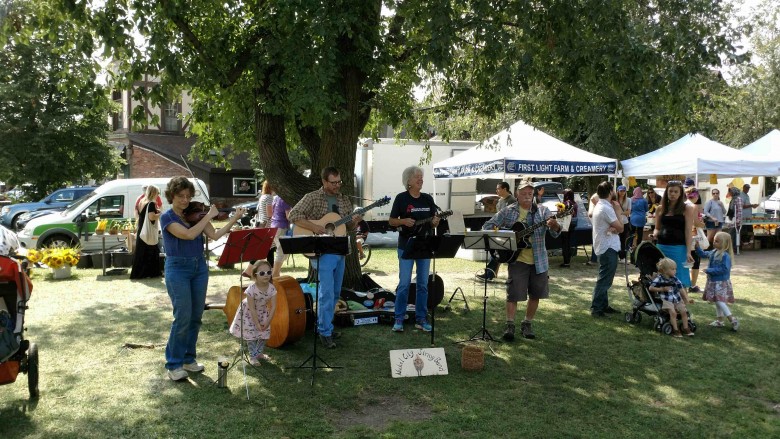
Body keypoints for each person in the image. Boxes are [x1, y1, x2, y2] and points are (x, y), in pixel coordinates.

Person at [160, 177, 246, 381]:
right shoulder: (167, 217)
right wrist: (208, 216)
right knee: (182, 316)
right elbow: (189, 235)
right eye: (181, 196)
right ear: (172, 196)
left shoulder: (194, 215)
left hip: (199, 267)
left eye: (189, 196)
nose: (185, 200)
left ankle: (189, 359)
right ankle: (174, 364)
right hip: (178, 268)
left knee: (196, 316)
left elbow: (215, 235)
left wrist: (233, 219)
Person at [482, 177, 561, 340]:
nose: (527, 195)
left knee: (536, 293)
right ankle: (510, 325)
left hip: (539, 260)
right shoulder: (508, 210)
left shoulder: (543, 211)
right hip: (517, 259)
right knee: (514, 293)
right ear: (517, 194)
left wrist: (555, 225)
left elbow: (555, 232)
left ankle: (527, 324)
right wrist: (508, 235)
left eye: (530, 193)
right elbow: (487, 227)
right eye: (524, 193)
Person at [288, 167, 358, 349]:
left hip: (341, 250)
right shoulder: (312, 197)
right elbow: (294, 215)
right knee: (326, 292)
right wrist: (314, 227)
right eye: (333, 182)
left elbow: (347, 227)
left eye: (339, 182)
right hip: (321, 252)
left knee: (335, 292)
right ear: (324, 182)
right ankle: (324, 332)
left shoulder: (344, 200)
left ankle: (326, 326)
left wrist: (355, 221)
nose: (337, 186)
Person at [389, 166, 441, 333]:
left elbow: (433, 220)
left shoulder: (427, 199)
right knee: (404, 284)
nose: (421, 179)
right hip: (406, 246)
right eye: (417, 177)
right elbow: (391, 221)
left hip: (425, 245)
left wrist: (435, 222)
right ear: (408, 181)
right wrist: (403, 221)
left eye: (421, 177)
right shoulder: (401, 198)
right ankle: (399, 318)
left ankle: (421, 318)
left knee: (423, 284)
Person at [229, 260, 277, 364]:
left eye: (269, 272)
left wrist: (268, 321)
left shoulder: (272, 288)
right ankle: (252, 356)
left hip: (263, 311)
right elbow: (251, 308)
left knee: (264, 333)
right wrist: (256, 323)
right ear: (255, 275)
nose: (266, 275)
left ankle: (258, 353)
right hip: (248, 312)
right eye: (262, 273)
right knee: (251, 335)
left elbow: (273, 307)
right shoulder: (251, 289)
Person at [652, 180, 696, 289]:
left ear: (681, 193)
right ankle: (665, 302)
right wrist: (654, 234)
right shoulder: (660, 209)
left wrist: (688, 251)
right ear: (666, 192)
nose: (673, 194)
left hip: (679, 248)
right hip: (661, 246)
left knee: (679, 277)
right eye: (670, 191)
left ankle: (681, 303)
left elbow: (688, 231)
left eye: (676, 192)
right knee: (662, 275)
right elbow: (657, 228)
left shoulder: (687, 208)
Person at [590, 181, 623, 317]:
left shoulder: (601, 205)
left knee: (605, 277)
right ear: (610, 192)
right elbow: (621, 227)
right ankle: (597, 308)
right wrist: (619, 211)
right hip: (608, 247)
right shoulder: (607, 208)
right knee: (605, 279)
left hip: (605, 246)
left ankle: (603, 305)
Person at [695, 231, 739, 331]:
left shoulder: (725, 256)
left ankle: (732, 319)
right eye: (714, 241)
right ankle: (720, 321)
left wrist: (709, 270)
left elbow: (724, 269)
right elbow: (703, 254)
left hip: (721, 282)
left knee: (720, 301)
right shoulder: (714, 252)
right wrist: (697, 247)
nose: (714, 243)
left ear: (724, 244)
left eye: (717, 241)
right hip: (713, 281)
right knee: (717, 301)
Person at [477, 182, 517, 280]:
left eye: (498, 188)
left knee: (498, 252)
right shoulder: (500, 201)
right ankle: (491, 273)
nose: (496, 191)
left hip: (508, 230)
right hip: (498, 230)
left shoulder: (512, 200)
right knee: (497, 252)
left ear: (505, 189)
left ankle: (490, 274)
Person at [648, 257, 695, 337]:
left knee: (684, 311)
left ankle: (686, 328)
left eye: (675, 269)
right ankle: (675, 330)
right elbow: (651, 288)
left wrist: (687, 298)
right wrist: (662, 289)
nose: (675, 271)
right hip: (667, 300)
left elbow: (681, 289)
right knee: (673, 313)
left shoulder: (675, 279)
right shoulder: (659, 279)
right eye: (673, 269)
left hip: (677, 299)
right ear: (665, 271)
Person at [130, 185, 162, 279]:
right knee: (151, 251)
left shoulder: (142, 201)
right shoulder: (151, 203)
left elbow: (142, 215)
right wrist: (159, 214)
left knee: (141, 253)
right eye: (157, 193)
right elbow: (151, 217)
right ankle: (153, 273)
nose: (158, 195)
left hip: (141, 229)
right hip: (148, 230)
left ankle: (140, 273)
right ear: (154, 193)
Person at [685, 188, 706, 292]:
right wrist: (703, 224)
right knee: (695, 261)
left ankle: (685, 283)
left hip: (684, 235)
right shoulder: (694, 206)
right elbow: (696, 222)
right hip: (693, 236)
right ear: (696, 196)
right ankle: (692, 285)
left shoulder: (684, 204)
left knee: (685, 261)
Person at [269, 194, 291, 278]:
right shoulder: (285, 199)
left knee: (282, 250)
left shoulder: (276, 197)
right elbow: (288, 216)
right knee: (281, 250)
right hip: (281, 227)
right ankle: (275, 274)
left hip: (274, 226)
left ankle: (275, 272)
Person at [559, 188, 578, 267]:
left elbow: (562, 214)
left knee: (565, 243)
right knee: (569, 243)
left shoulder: (566, 203)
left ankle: (566, 262)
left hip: (566, 225)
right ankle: (568, 260)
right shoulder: (575, 203)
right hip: (573, 224)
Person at [616, 185, 631, 260]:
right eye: (621, 191)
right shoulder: (615, 200)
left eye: (624, 191)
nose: (622, 193)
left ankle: (622, 257)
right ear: (617, 191)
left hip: (625, 222)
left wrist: (620, 213)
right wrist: (622, 213)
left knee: (623, 239)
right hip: (616, 221)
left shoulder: (628, 200)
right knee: (616, 239)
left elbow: (628, 212)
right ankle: (617, 255)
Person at [726, 186, 743, 250]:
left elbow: (739, 210)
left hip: (735, 221)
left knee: (733, 235)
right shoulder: (733, 199)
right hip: (732, 220)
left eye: (730, 191)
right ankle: (732, 248)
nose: (729, 193)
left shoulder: (738, 199)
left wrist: (738, 220)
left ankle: (734, 249)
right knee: (732, 235)